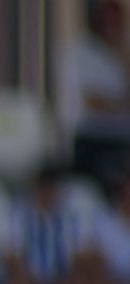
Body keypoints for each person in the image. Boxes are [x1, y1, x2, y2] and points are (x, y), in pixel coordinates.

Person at [69, 0, 130, 181]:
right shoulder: (83, 51)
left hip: (123, 133)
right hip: (93, 134)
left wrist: (122, 54)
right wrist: (121, 105)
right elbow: (91, 101)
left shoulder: (125, 50)